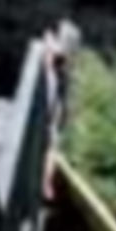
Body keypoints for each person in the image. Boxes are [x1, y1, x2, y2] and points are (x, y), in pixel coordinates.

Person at [41, 19, 81, 202]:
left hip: (53, 111)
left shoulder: (62, 67)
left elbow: (56, 58)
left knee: (52, 144)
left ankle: (45, 182)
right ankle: (45, 182)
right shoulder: (61, 67)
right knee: (52, 144)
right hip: (52, 109)